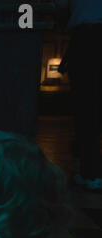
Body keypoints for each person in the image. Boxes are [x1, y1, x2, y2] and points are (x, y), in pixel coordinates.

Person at [57, 0, 102, 191]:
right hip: (88, 39)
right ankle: (85, 162)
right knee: (92, 106)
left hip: (84, 40)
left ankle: (89, 169)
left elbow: (59, 8)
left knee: (85, 108)